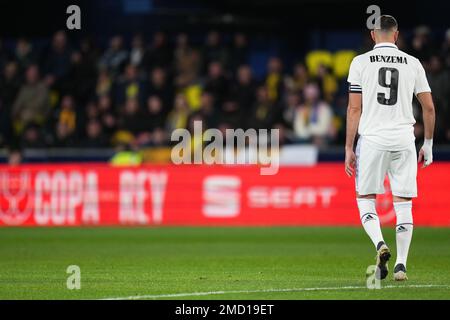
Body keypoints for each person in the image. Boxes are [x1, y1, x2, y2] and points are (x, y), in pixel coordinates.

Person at [345, 15, 436, 281]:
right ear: (396, 35)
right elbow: (429, 108)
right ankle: (401, 265)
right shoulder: (413, 63)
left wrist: (349, 147)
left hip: (372, 139)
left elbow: (354, 108)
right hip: (404, 140)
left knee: (365, 199)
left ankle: (379, 244)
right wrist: (428, 144)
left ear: (373, 35)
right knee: (403, 204)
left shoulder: (360, 62)